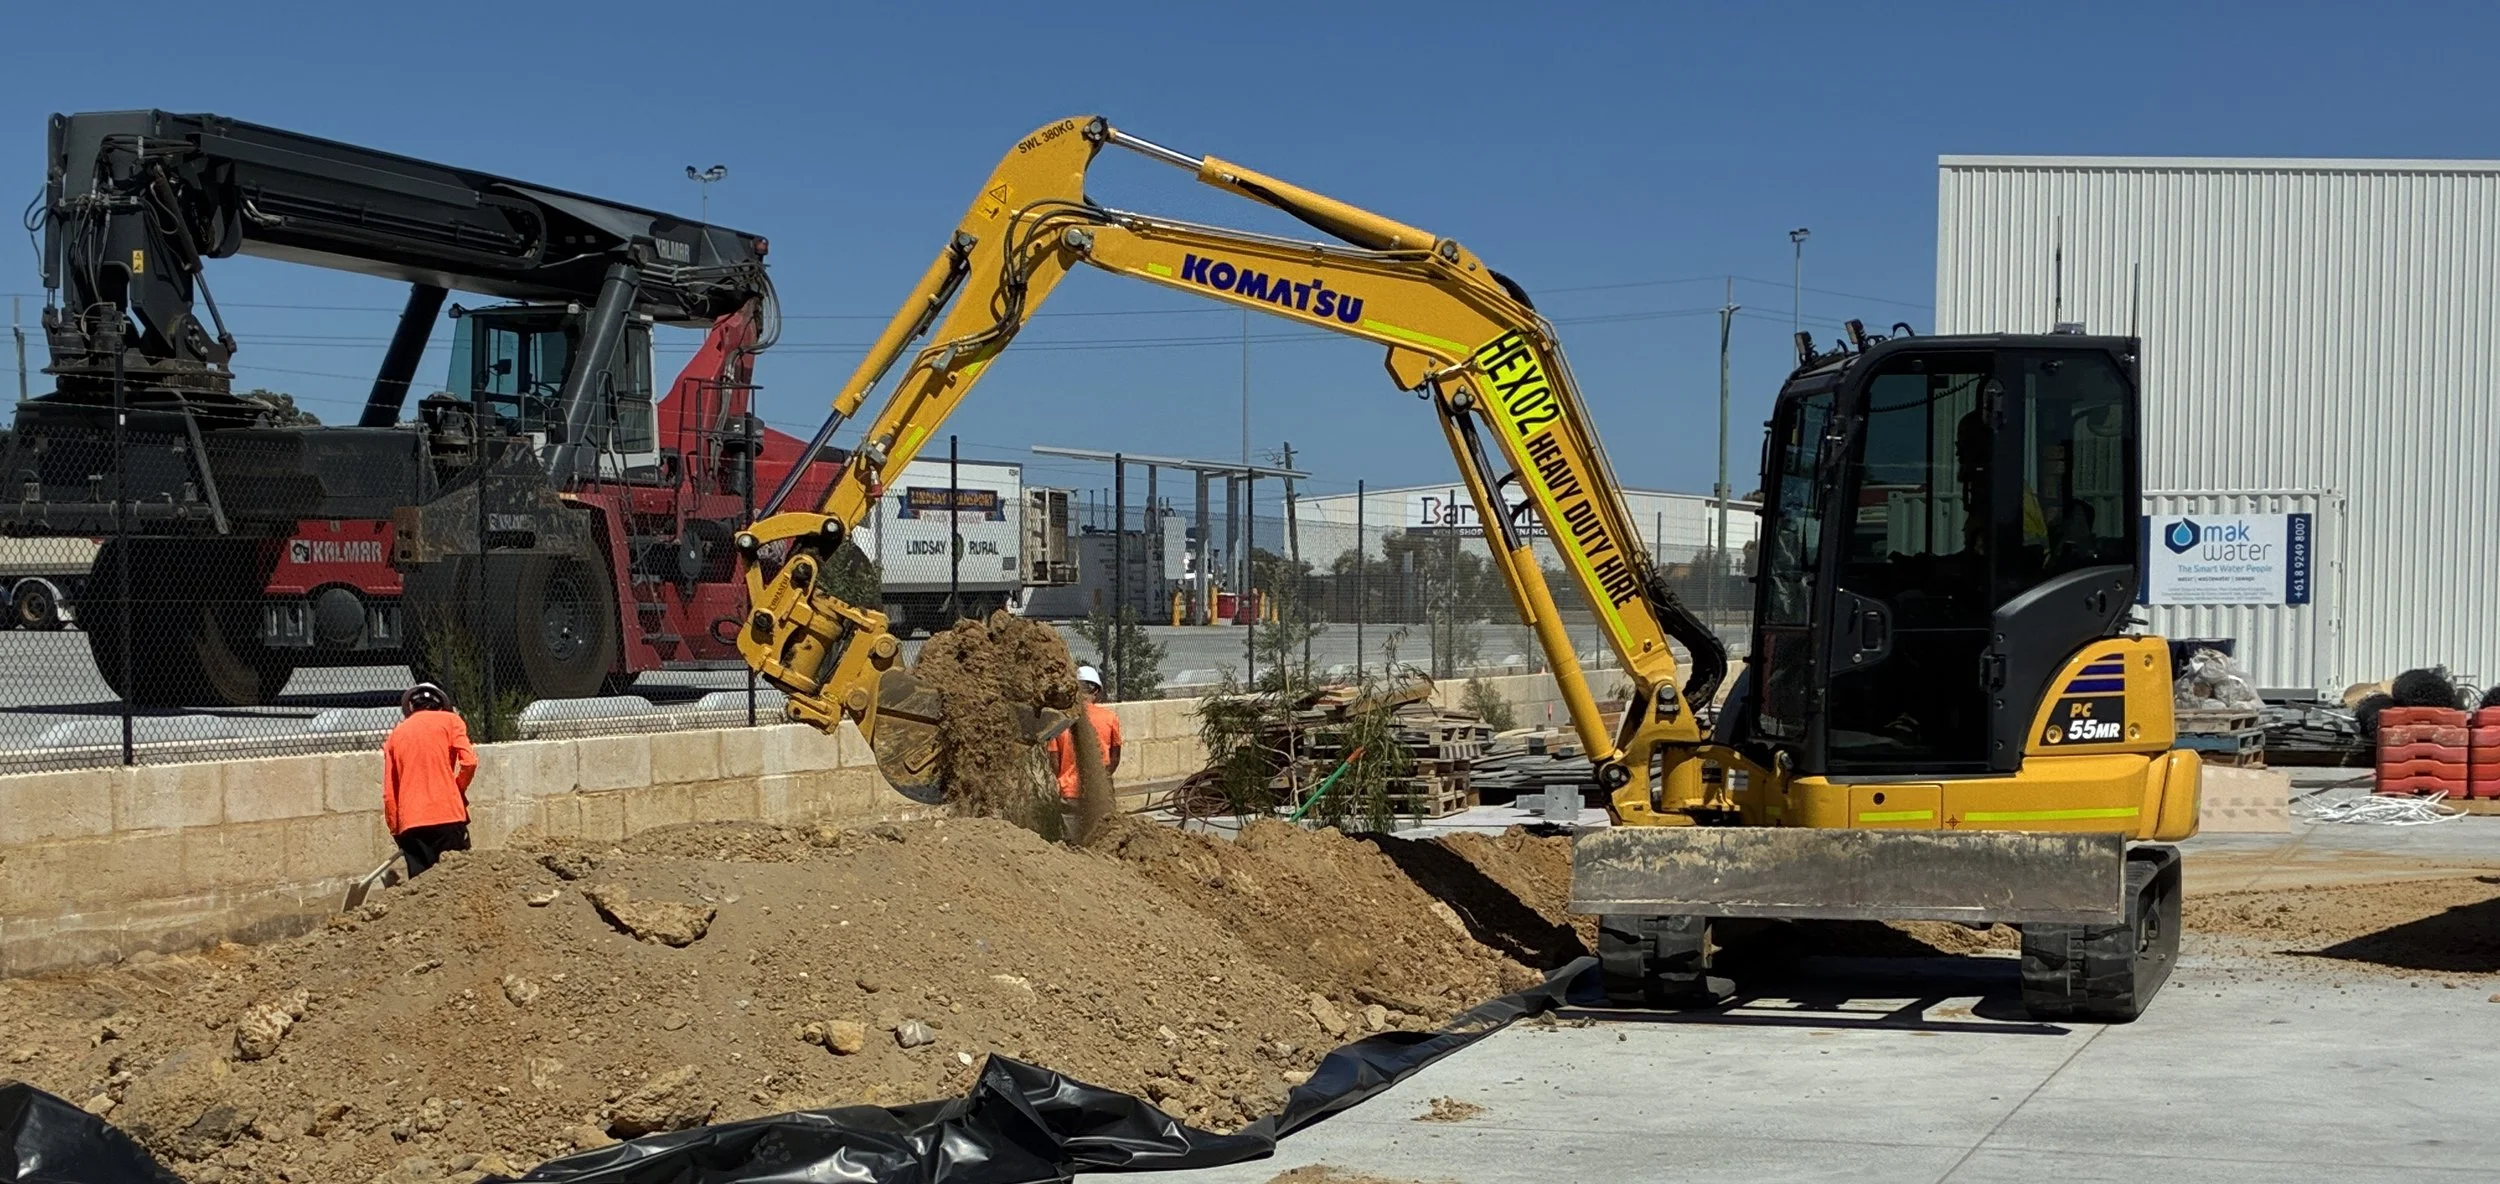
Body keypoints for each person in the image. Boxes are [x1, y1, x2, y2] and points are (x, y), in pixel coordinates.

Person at [382, 681, 479, 877]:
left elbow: (389, 793)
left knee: (422, 890)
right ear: (440, 704)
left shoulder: (396, 735)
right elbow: (469, 762)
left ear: (411, 706)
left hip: (411, 822)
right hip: (449, 816)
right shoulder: (451, 721)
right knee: (456, 881)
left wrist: (396, 830)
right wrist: (456, 789)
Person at [1045, 665, 1123, 801]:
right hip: (1100, 792)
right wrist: (1102, 781)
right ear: (1096, 691)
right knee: (1103, 822)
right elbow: (1115, 758)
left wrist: (1064, 781)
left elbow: (1054, 759)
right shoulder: (1110, 718)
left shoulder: (1059, 720)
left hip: (1069, 792)